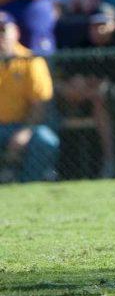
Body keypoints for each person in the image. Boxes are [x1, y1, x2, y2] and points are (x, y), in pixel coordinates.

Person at [0, 12, 57, 183]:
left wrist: (24, 132)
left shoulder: (31, 60)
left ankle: (29, 185)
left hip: (22, 125)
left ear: (15, 32)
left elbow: (40, 105)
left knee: (46, 140)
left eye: (3, 30)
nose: (0, 36)